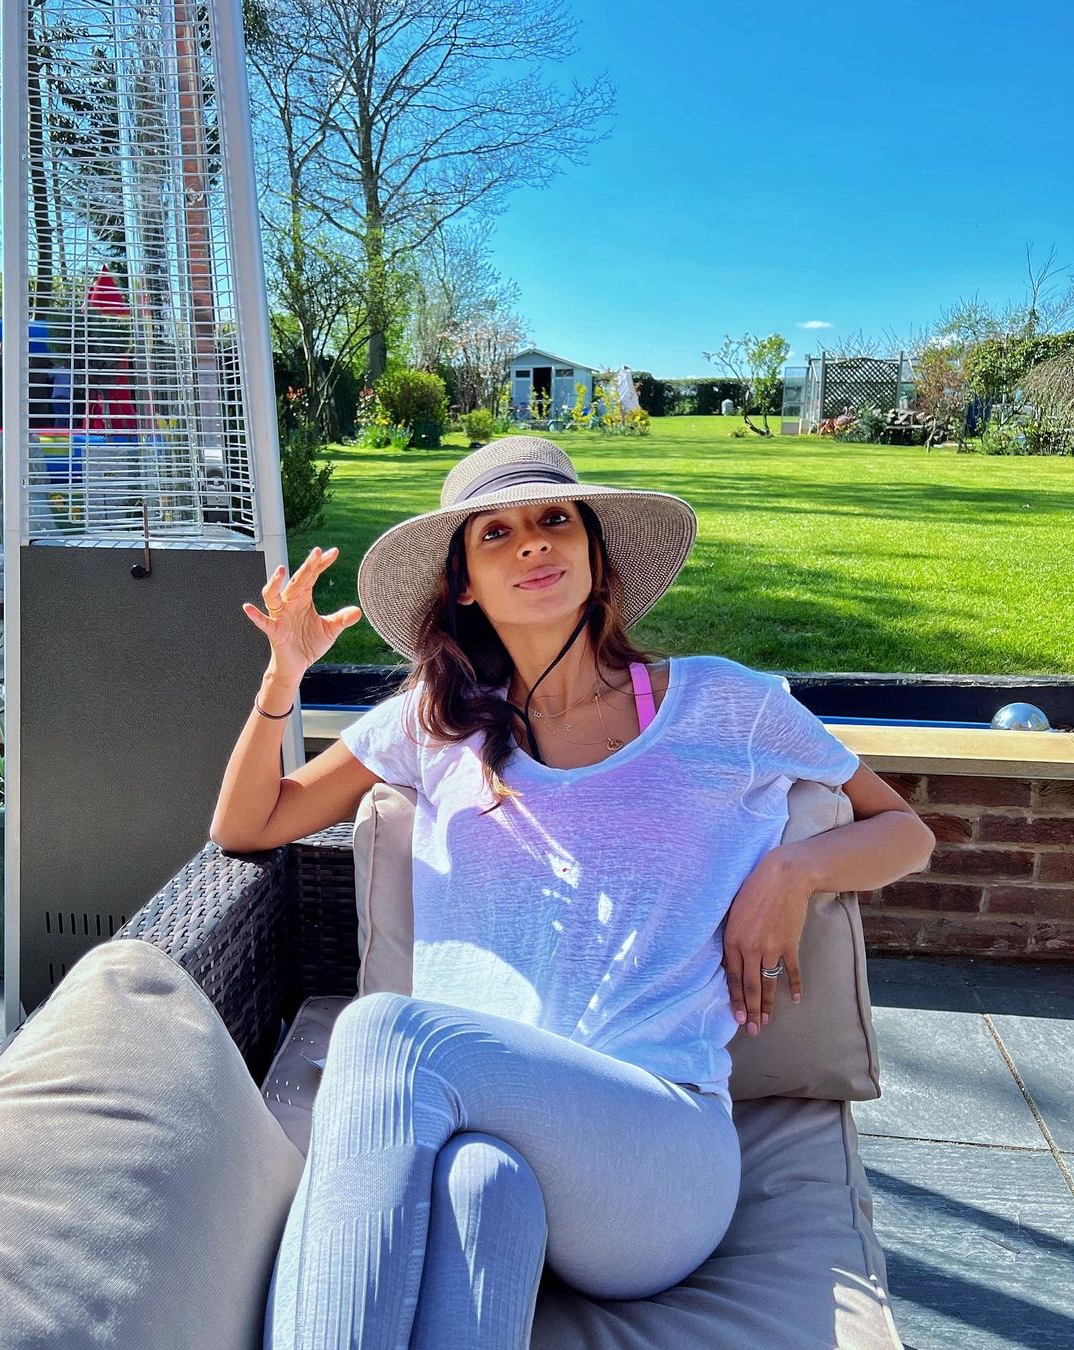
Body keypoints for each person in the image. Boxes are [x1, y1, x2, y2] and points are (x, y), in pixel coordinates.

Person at [210, 437, 935, 1349]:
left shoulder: (723, 705)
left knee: (382, 1032)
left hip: (657, 1151)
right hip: (487, 1137)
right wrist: (283, 680)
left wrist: (792, 871)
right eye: (496, 533)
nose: (532, 544)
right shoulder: (433, 724)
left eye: (555, 521)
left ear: (596, 557)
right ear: (464, 584)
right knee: (483, 1189)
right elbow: (247, 826)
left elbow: (905, 830)